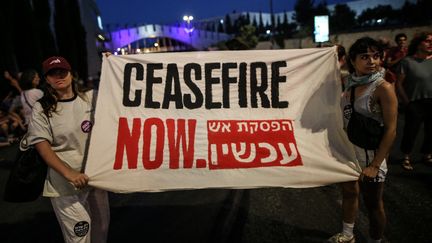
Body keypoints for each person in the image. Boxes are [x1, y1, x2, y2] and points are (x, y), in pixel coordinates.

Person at [26, 56, 110, 243]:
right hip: (64, 186)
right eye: (52, 73)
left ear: (72, 74)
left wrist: (114, 64)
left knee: (100, 232)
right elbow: (43, 148)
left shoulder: (90, 98)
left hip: (95, 179)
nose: (58, 76)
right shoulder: (42, 108)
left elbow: (118, 92)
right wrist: (69, 173)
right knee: (80, 235)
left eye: (62, 71)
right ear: (46, 79)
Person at [329, 37, 398, 243]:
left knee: (373, 203)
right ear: (352, 60)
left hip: (370, 155)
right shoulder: (348, 84)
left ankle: (376, 240)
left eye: (376, 56)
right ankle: (348, 235)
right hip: (348, 151)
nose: (372, 61)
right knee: (349, 193)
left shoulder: (383, 88)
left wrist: (376, 165)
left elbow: (391, 130)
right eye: (365, 57)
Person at [396, 32, 432, 170]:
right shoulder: (407, 61)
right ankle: (406, 156)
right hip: (415, 103)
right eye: (427, 41)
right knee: (411, 131)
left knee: (431, 131)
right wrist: (407, 103)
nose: (430, 43)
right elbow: (398, 84)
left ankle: (427, 154)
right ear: (418, 44)